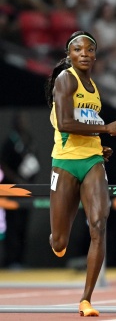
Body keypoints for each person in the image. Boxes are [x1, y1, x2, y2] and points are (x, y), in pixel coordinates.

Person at [44, 30, 116, 317]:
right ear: (69, 55)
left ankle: (86, 299)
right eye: (79, 50)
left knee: (98, 225)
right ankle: (57, 240)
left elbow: (88, 120)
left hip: (92, 160)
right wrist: (104, 130)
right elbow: (65, 123)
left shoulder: (93, 86)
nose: (85, 54)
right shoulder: (66, 79)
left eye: (90, 50)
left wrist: (99, 145)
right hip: (64, 162)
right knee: (59, 242)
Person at [0, 112, 41, 269]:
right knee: (12, 225)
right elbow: (3, 164)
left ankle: (20, 260)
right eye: (21, 120)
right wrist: (16, 179)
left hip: (27, 189)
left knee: (23, 225)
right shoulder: (10, 142)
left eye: (26, 120)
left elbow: (35, 161)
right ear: (16, 122)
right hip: (11, 189)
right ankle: (10, 260)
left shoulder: (30, 140)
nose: (25, 122)